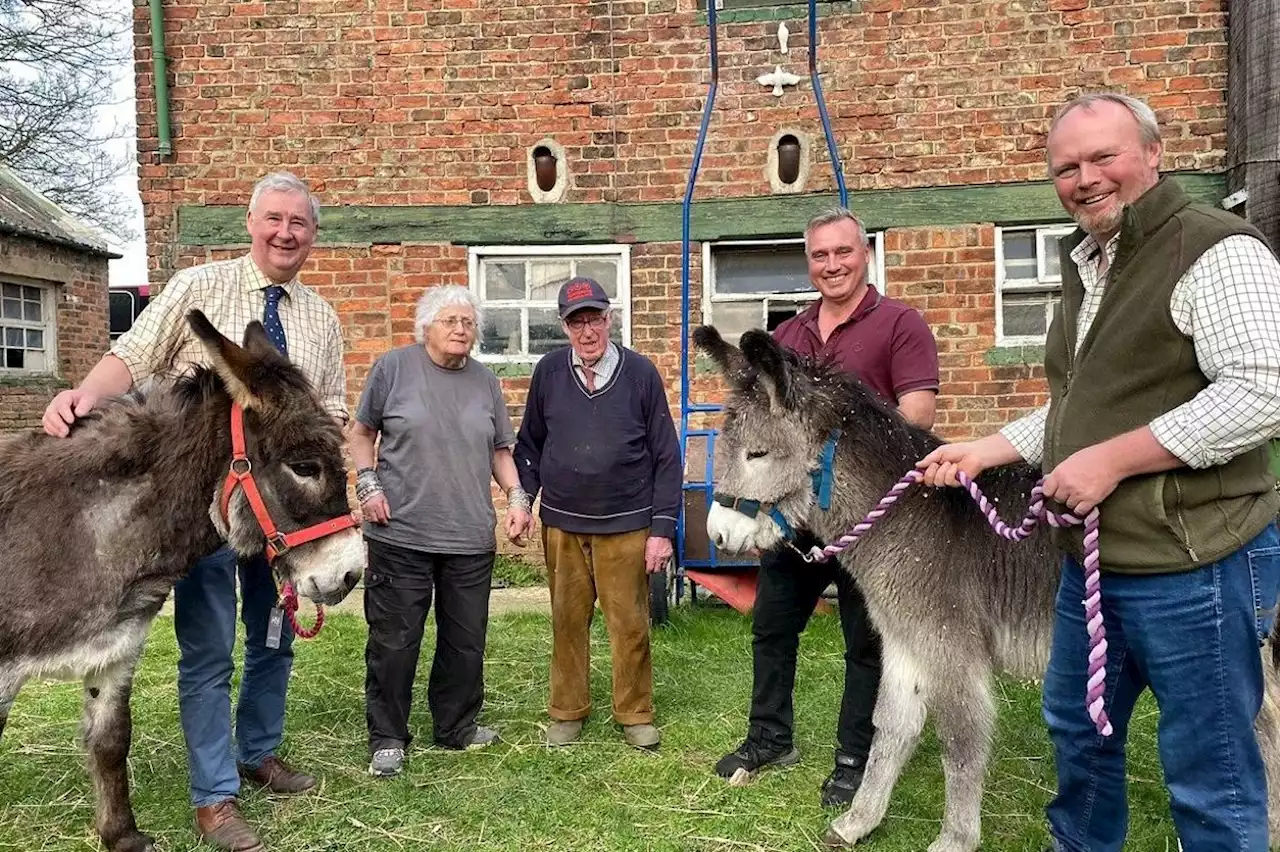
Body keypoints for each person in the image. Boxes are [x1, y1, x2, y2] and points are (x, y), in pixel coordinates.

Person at [919, 92, 1280, 852]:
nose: (1085, 179)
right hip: (1094, 567)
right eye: (1067, 167)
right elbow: (1080, 406)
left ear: (1153, 153)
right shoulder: (1091, 263)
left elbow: (1263, 391)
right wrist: (989, 448)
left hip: (1196, 561)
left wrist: (1112, 461)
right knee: (1078, 736)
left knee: (1209, 770)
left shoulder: (1215, 248)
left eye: (1103, 157)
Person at [42, 172, 348, 852]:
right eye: (274, 219)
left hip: (284, 517)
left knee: (274, 642)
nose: (286, 233)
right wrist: (82, 397)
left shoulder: (321, 317)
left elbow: (331, 410)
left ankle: (258, 750)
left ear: (312, 235)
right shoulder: (197, 288)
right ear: (251, 221)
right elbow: (133, 355)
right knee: (208, 651)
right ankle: (215, 799)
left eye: (299, 223)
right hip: (205, 513)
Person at [714, 206, 940, 808]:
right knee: (773, 625)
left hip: (868, 519)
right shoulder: (788, 336)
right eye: (820, 255)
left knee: (866, 640)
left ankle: (856, 757)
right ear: (808, 261)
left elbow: (918, 419)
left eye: (843, 252)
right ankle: (769, 737)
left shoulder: (899, 324)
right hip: (795, 518)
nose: (832, 264)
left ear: (864, 254)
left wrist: (838, 460)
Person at [353, 285, 534, 777]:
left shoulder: (486, 382)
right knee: (394, 640)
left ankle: (456, 726)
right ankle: (388, 736)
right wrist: (367, 484)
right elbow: (363, 433)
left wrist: (517, 498)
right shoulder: (394, 368)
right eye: (451, 320)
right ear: (426, 327)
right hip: (400, 533)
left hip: (469, 536)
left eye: (469, 322)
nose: (461, 329)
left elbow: (501, 451)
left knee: (465, 640)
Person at [513, 276, 681, 750]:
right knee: (567, 621)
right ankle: (567, 710)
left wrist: (661, 529)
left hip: (627, 523)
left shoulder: (641, 374)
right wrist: (523, 502)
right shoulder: (548, 372)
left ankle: (635, 712)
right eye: (576, 321)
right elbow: (530, 444)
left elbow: (666, 455)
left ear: (609, 319)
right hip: (563, 523)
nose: (587, 331)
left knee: (629, 624)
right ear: (564, 327)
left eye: (595, 319)